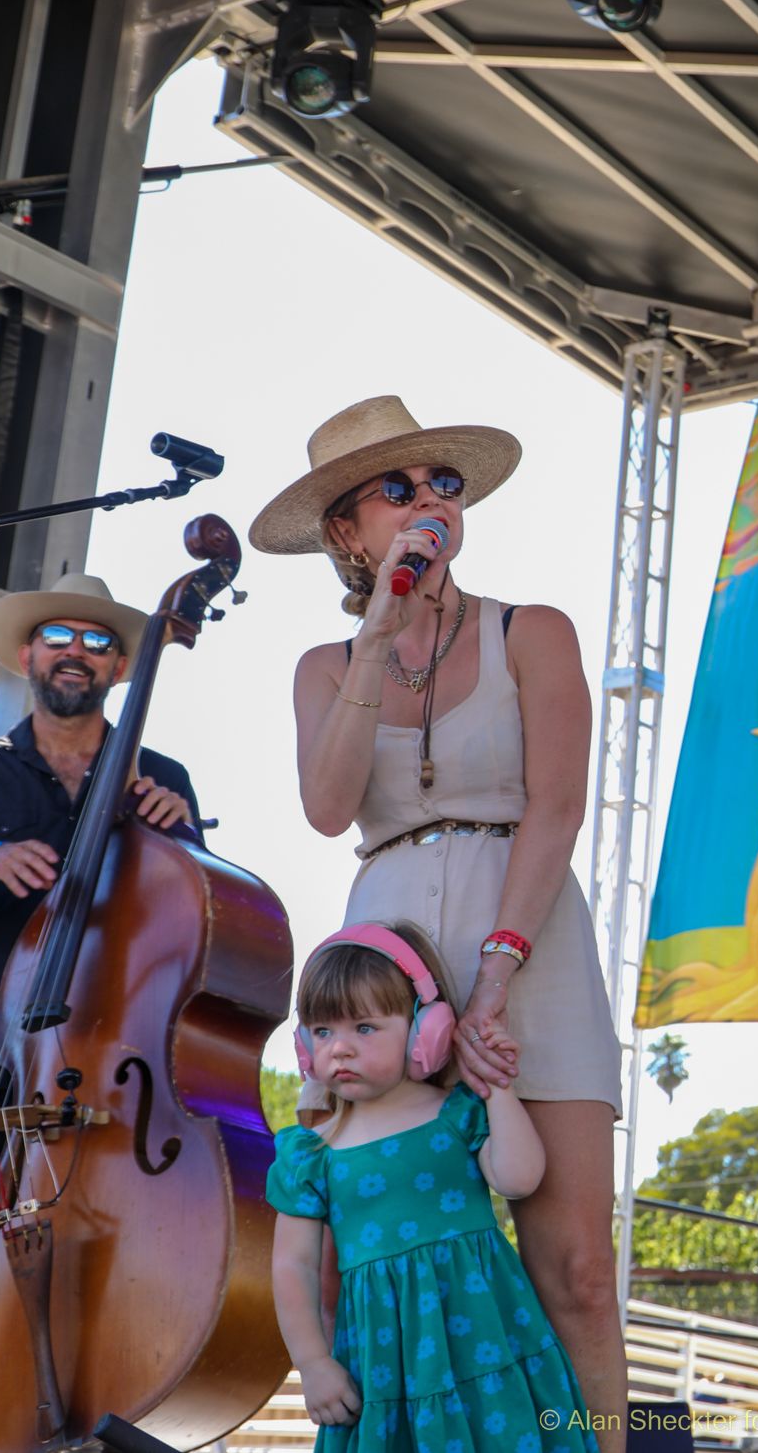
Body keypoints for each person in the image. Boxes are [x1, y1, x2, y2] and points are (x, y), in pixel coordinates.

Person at [250, 395, 626, 1449]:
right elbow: (329, 809)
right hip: (383, 960)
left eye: (443, 483)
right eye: (398, 488)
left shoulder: (531, 630)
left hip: (531, 939)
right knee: (371, 1261)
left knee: (578, 1271)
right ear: (347, 531)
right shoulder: (326, 667)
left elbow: (558, 806)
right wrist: (377, 638)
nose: (429, 502)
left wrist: (496, 976)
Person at [0, 572, 200, 1452]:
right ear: (29, 655)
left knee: (104, 1281)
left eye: (98, 640)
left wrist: (181, 838)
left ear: (119, 668)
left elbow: (190, 920)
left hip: (108, 1076)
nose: (77, 651)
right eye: (59, 636)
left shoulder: (162, 777)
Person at [269, 922, 599, 1448]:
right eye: (323, 1031)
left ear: (427, 1029)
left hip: (486, 1342)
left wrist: (497, 1086)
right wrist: (312, 1364)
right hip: (387, 1366)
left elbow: (518, 1178)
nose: (340, 1049)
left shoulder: (456, 1113)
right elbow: (294, 1266)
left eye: (365, 1027)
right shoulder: (310, 1154)